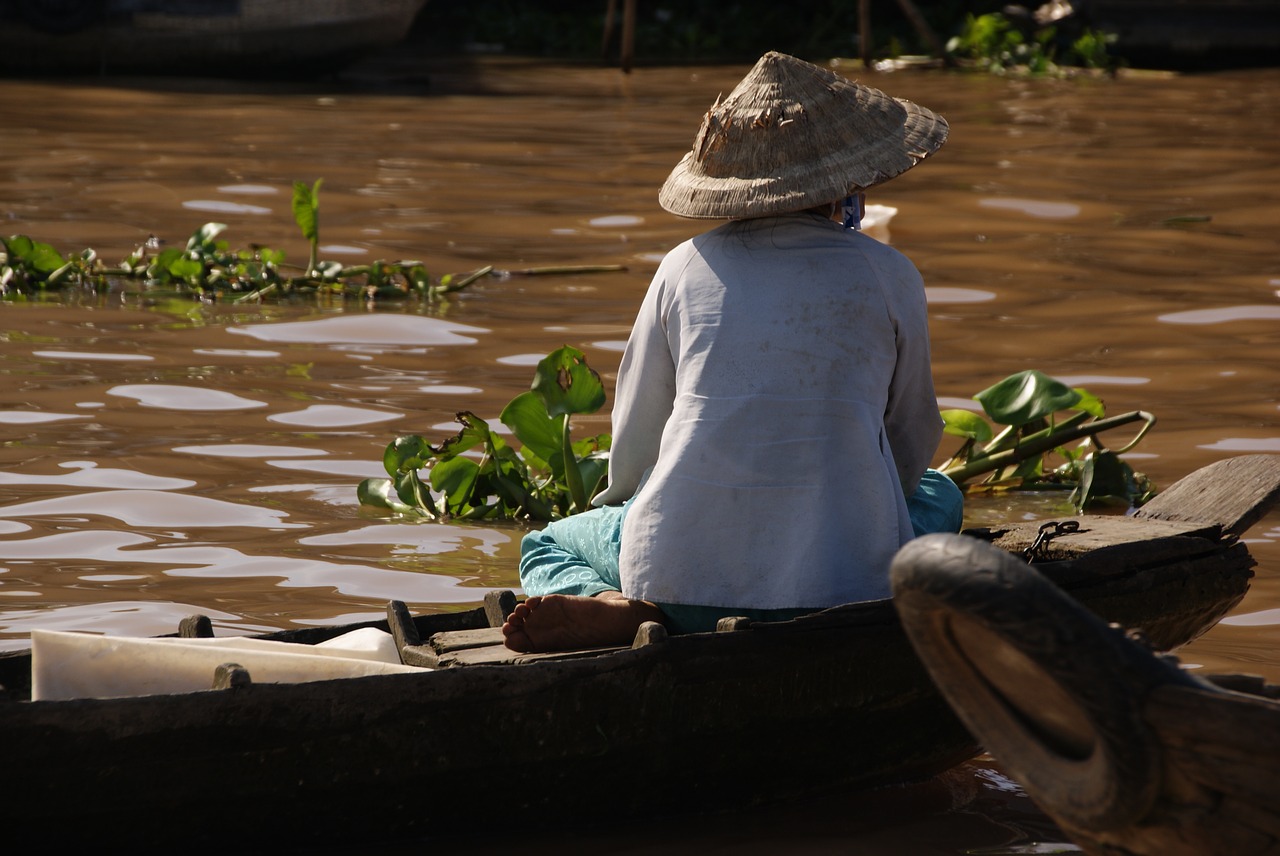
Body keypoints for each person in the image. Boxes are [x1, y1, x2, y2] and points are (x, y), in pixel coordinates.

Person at [503, 51, 962, 654]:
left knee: (549, 544)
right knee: (940, 495)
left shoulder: (681, 267)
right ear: (847, 185)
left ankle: (615, 602)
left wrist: (630, 516)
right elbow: (912, 432)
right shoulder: (889, 273)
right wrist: (877, 499)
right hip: (843, 585)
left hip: (679, 579)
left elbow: (640, 432)